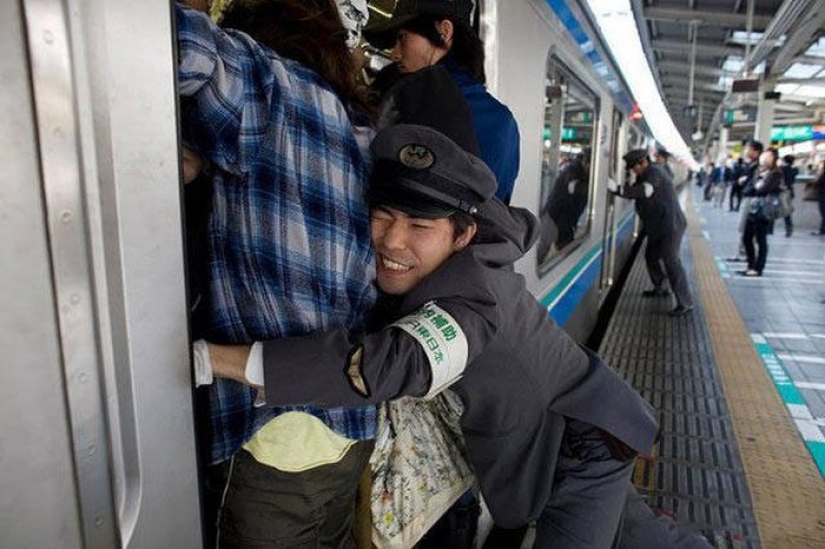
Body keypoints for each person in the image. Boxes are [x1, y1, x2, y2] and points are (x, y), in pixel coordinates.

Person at [199, 122, 714, 549]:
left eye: (420, 227)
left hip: (579, 447)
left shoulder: (469, 306)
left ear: (462, 234)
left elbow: (382, 366)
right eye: (382, 216)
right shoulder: (476, 240)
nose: (392, 242)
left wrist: (212, 360)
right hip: (583, 420)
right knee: (646, 538)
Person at [175, 1, 380, 547]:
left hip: (274, 435)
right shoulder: (359, 130)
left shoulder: (262, 83)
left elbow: (162, 41)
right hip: (350, 427)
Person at [364, 0, 520, 204]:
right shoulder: (502, 121)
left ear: (444, 31)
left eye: (402, 38)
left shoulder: (404, 106)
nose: (394, 54)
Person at [609, 150, 693, 317]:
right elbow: (636, 190)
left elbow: (644, 191)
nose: (633, 171)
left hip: (671, 225)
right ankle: (661, 287)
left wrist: (616, 189)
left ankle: (685, 302)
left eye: (634, 167)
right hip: (657, 226)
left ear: (643, 162)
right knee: (651, 256)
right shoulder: (645, 174)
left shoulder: (655, 172)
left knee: (671, 261)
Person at [739, 148, 784, 277]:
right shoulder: (759, 172)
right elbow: (747, 190)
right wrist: (756, 186)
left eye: (768, 156)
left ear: (774, 158)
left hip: (765, 211)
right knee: (747, 238)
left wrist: (755, 187)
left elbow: (762, 189)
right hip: (753, 210)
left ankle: (758, 269)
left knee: (761, 240)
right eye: (764, 155)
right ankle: (750, 265)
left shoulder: (776, 174)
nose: (765, 158)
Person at [544, 150, 591, 251]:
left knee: (565, 248)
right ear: (585, 162)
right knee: (543, 248)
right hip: (555, 216)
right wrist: (595, 187)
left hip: (568, 219)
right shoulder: (573, 168)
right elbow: (572, 187)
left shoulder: (586, 173)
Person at [780, 154, 798, 237]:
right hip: (790, 192)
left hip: (782, 191)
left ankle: (769, 229)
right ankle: (789, 229)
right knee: (787, 212)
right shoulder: (795, 170)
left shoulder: (782, 169)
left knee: (783, 211)